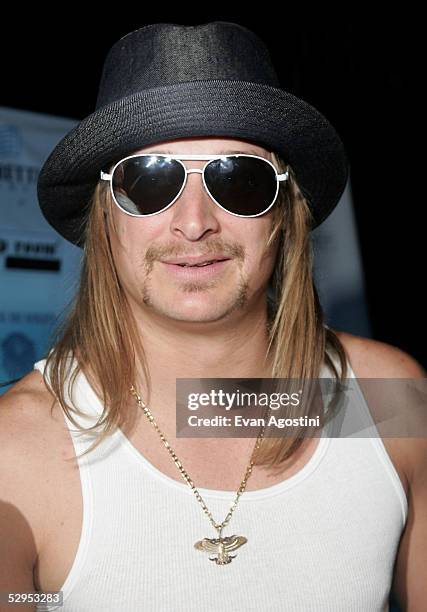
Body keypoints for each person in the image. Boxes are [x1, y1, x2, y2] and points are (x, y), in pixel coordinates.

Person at [0, 21, 425, 612]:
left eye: (239, 181)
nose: (194, 222)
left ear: (285, 213)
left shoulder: (389, 400)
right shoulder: (15, 450)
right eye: (150, 182)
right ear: (106, 216)